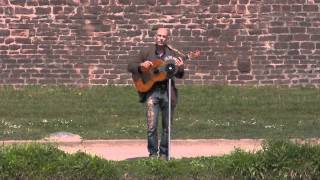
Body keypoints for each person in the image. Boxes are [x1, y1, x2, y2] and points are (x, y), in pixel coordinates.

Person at [127, 27, 185, 160]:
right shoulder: (147, 51)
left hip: (168, 92)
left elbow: (180, 75)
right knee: (151, 126)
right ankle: (153, 154)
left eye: (164, 36)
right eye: (159, 35)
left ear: (167, 39)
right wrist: (141, 65)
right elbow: (130, 66)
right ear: (155, 36)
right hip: (151, 92)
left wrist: (180, 67)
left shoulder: (172, 54)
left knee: (167, 127)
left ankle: (164, 154)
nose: (161, 38)